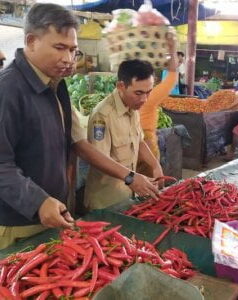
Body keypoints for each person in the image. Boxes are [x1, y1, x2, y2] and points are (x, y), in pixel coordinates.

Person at [0, 3, 158, 249]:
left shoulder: (54, 85)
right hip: (19, 222)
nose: (68, 59)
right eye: (59, 48)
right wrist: (38, 202)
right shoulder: (8, 90)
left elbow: (74, 143)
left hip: (51, 214)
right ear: (31, 41)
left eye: (73, 50)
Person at [85, 59, 164, 210]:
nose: (144, 99)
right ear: (121, 86)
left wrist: (155, 165)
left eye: (148, 92)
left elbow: (139, 141)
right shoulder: (103, 115)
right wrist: (131, 178)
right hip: (106, 201)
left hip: (127, 195)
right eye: (138, 93)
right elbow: (99, 160)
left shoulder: (133, 108)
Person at [139, 33, 178, 173]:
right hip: (147, 141)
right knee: (151, 182)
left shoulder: (125, 91)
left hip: (129, 144)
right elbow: (172, 76)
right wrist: (172, 49)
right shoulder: (150, 96)